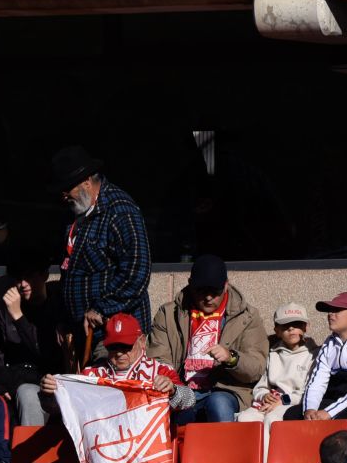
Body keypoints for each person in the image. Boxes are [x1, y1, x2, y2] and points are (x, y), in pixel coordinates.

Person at [147, 255, 268, 424]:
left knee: (218, 405)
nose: (208, 297)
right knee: (178, 413)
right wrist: (170, 383)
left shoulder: (246, 316)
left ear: (226, 285)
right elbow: (157, 358)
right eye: (201, 291)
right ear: (190, 284)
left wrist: (231, 358)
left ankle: (225, 451)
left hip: (226, 389)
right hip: (181, 388)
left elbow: (257, 367)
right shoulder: (169, 314)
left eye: (215, 291)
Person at [50, 147, 152, 339]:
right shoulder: (75, 211)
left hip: (114, 337)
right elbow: (70, 270)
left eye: (67, 189)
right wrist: (65, 320)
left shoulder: (120, 211)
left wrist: (101, 308)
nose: (63, 196)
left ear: (86, 182)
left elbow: (136, 273)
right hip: (81, 332)